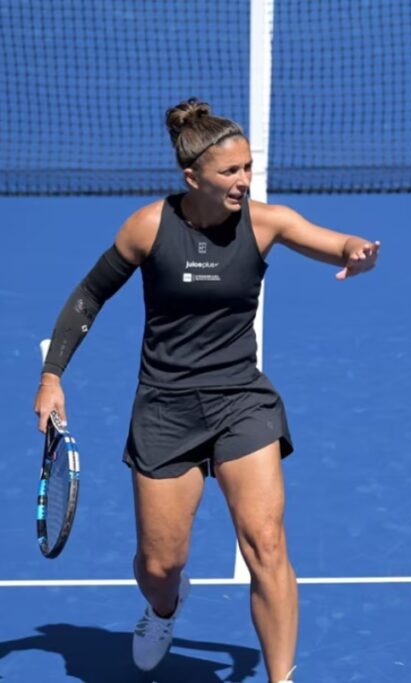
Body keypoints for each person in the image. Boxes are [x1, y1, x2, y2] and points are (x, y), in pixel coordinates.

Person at [32, 98, 380, 683]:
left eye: (247, 168)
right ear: (192, 176)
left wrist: (356, 253)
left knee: (266, 546)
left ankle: (282, 678)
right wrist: (51, 376)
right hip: (165, 409)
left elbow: (330, 240)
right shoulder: (147, 227)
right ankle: (162, 608)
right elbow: (89, 297)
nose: (244, 181)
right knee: (160, 564)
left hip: (241, 402)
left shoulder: (266, 223)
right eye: (230, 172)